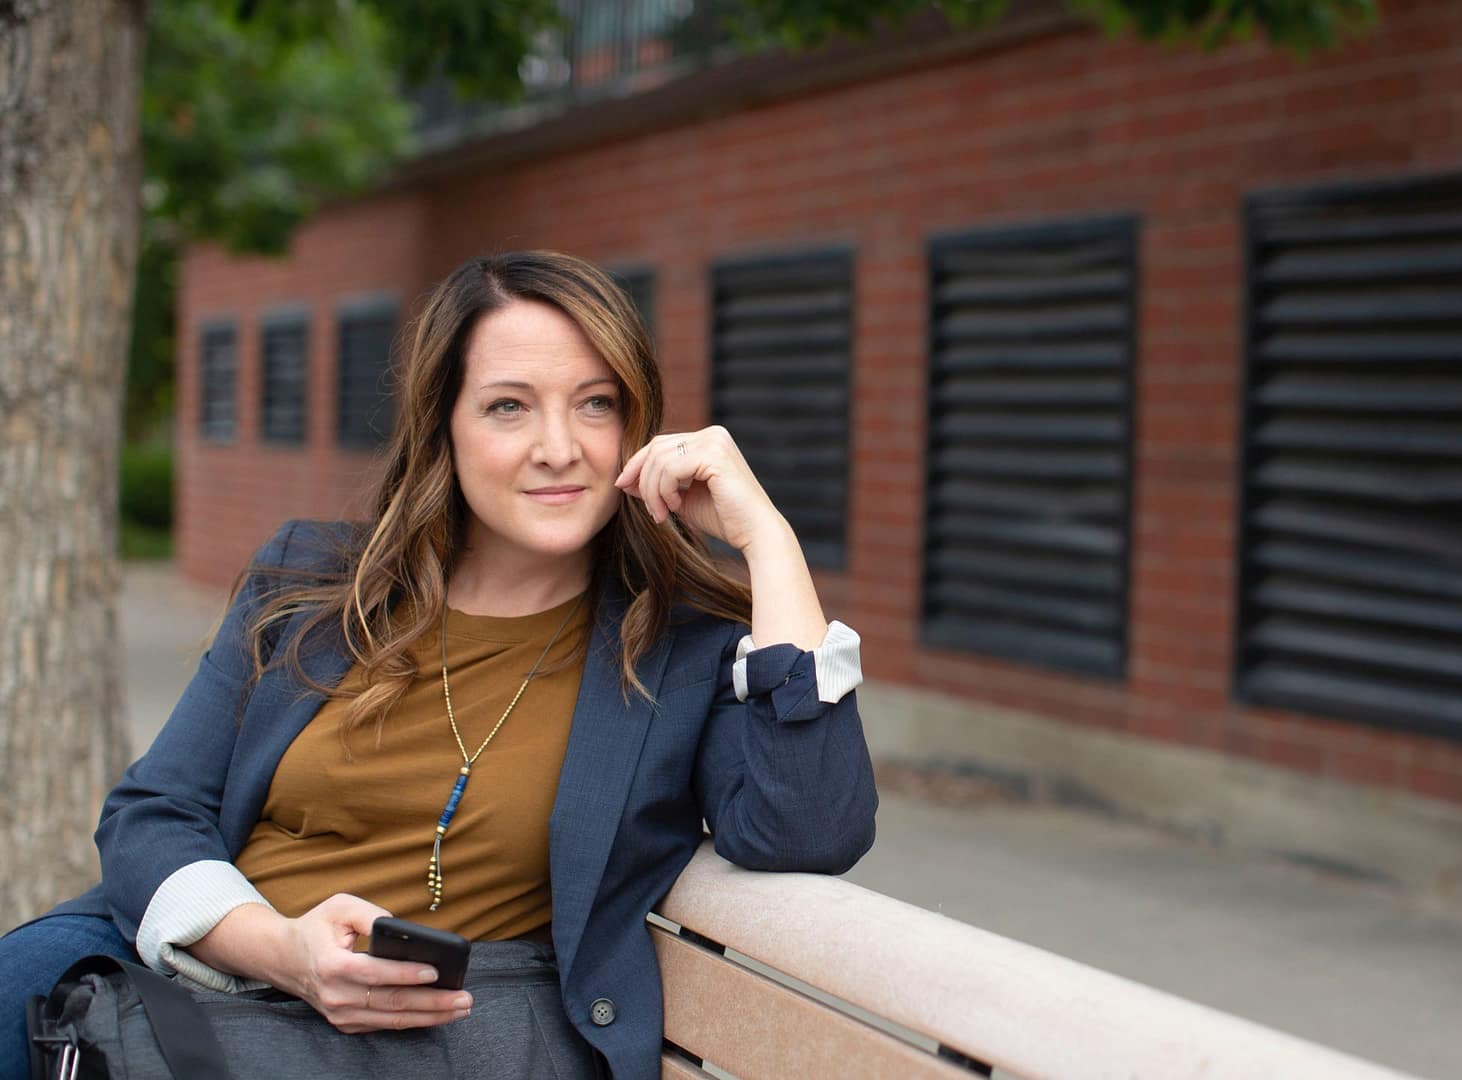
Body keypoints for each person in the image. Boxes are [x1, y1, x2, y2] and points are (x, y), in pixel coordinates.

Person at [0, 250, 879, 1079]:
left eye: (595, 403)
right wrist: (280, 948)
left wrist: (769, 539)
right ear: (443, 427)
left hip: (422, 1046)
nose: (559, 447)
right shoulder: (313, 583)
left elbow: (809, 829)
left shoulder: (680, 652)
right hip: (191, 991)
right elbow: (153, 812)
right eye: (508, 407)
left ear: (637, 423)